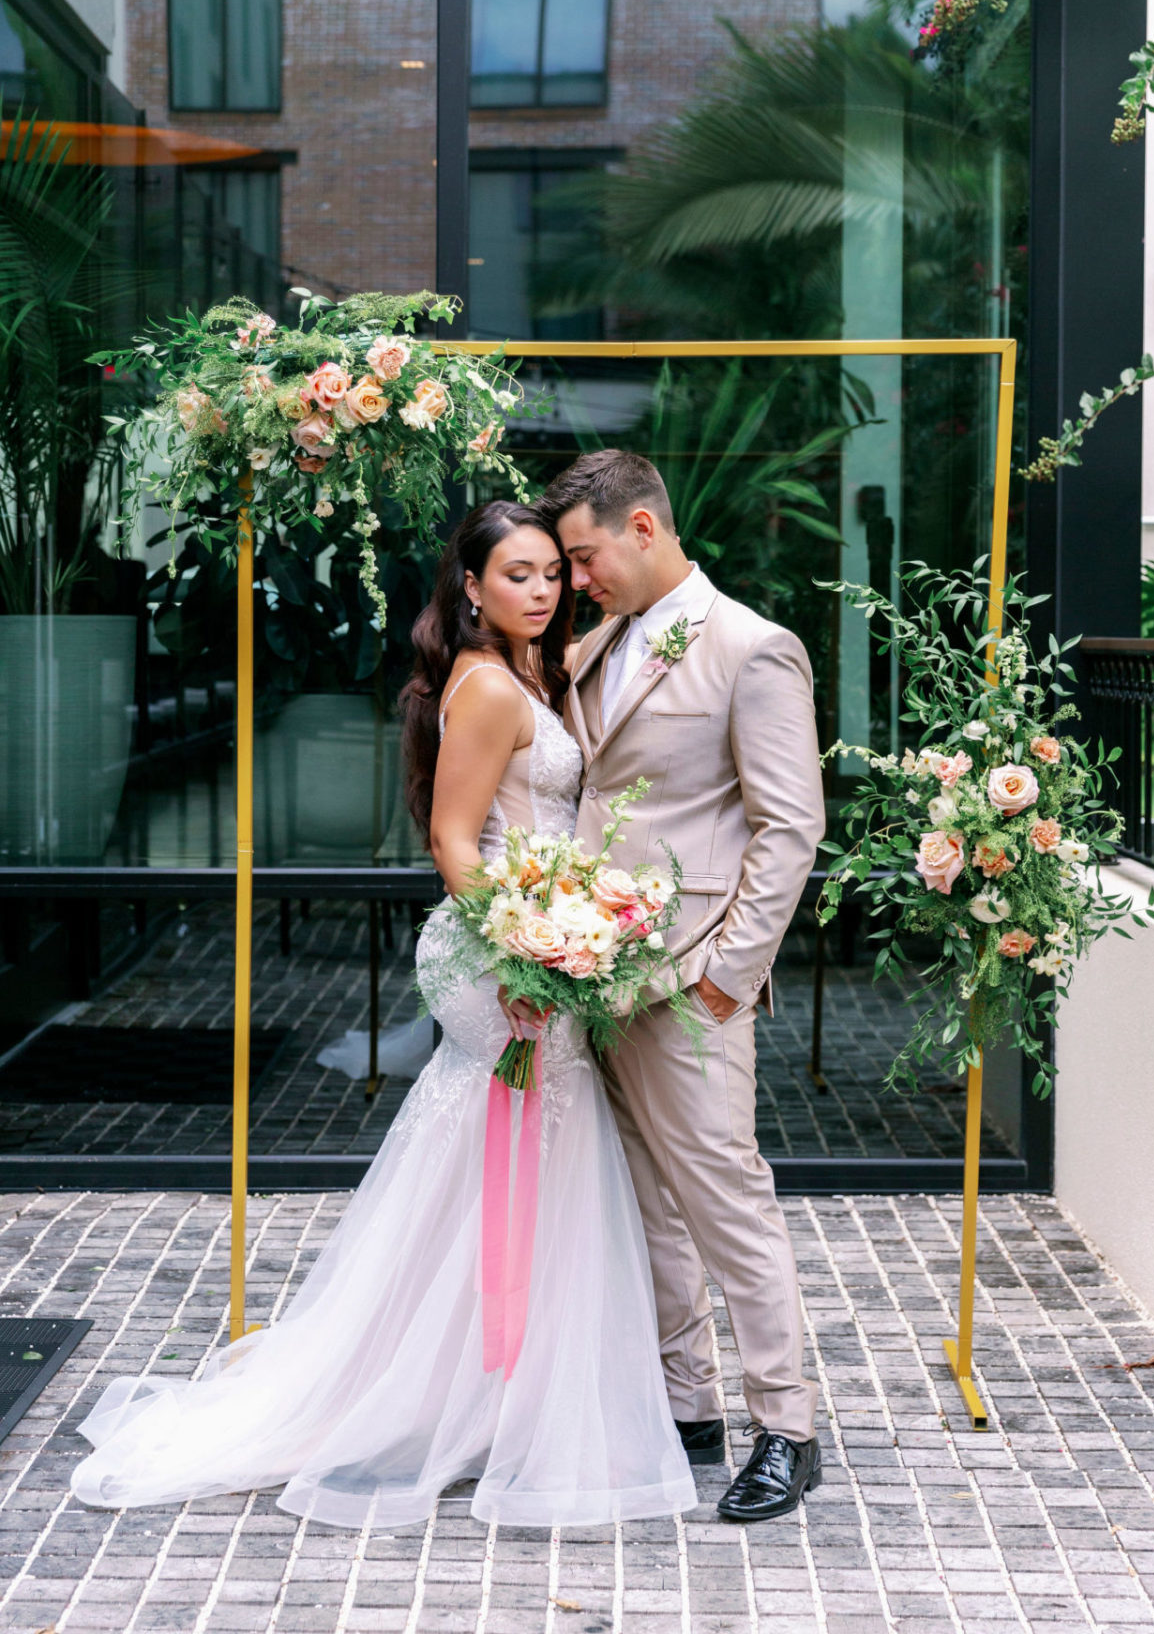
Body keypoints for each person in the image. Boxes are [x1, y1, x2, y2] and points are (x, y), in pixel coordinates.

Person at [69, 501, 696, 1529]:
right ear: (473, 589)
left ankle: (489, 1388)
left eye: (551, 573)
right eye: (519, 575)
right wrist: (524, 949)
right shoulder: (491, 686)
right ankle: (460, 1393)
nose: (542, 591)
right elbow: (453, 839)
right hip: (501, 952)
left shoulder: (536, 669)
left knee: (504, 1163)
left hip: (541, 938)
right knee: (513, 1153)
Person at [542, 450, 826, 1525]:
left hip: (687, 975)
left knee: (723, 1203)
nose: (575, 579)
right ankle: (687, 1407)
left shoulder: (752, 649)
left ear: (645, 529)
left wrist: (723, 978)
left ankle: (787, 1428)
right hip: (591, 973)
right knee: (646, 1205)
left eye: (584, 555)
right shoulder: (598, 642)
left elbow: (789, 826)